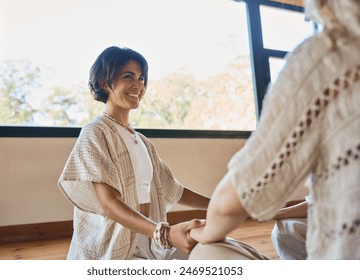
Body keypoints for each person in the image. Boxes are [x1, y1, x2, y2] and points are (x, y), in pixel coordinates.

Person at [189, 0, 360, 259]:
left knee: (205, 254)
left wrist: (197, 234)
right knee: (286, 230)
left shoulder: (330, 56)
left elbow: (231, 202)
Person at [58, 46, 209, 260]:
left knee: (220, 253)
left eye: (142, 78)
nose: (138, 85)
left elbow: (173, 189)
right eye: (128, 76)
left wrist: (222, 207)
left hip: (151, 244)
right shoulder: (95, 132)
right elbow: (109, 204)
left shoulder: (142, 141)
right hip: (114, 251)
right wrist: (164, 232)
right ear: (104, 82)